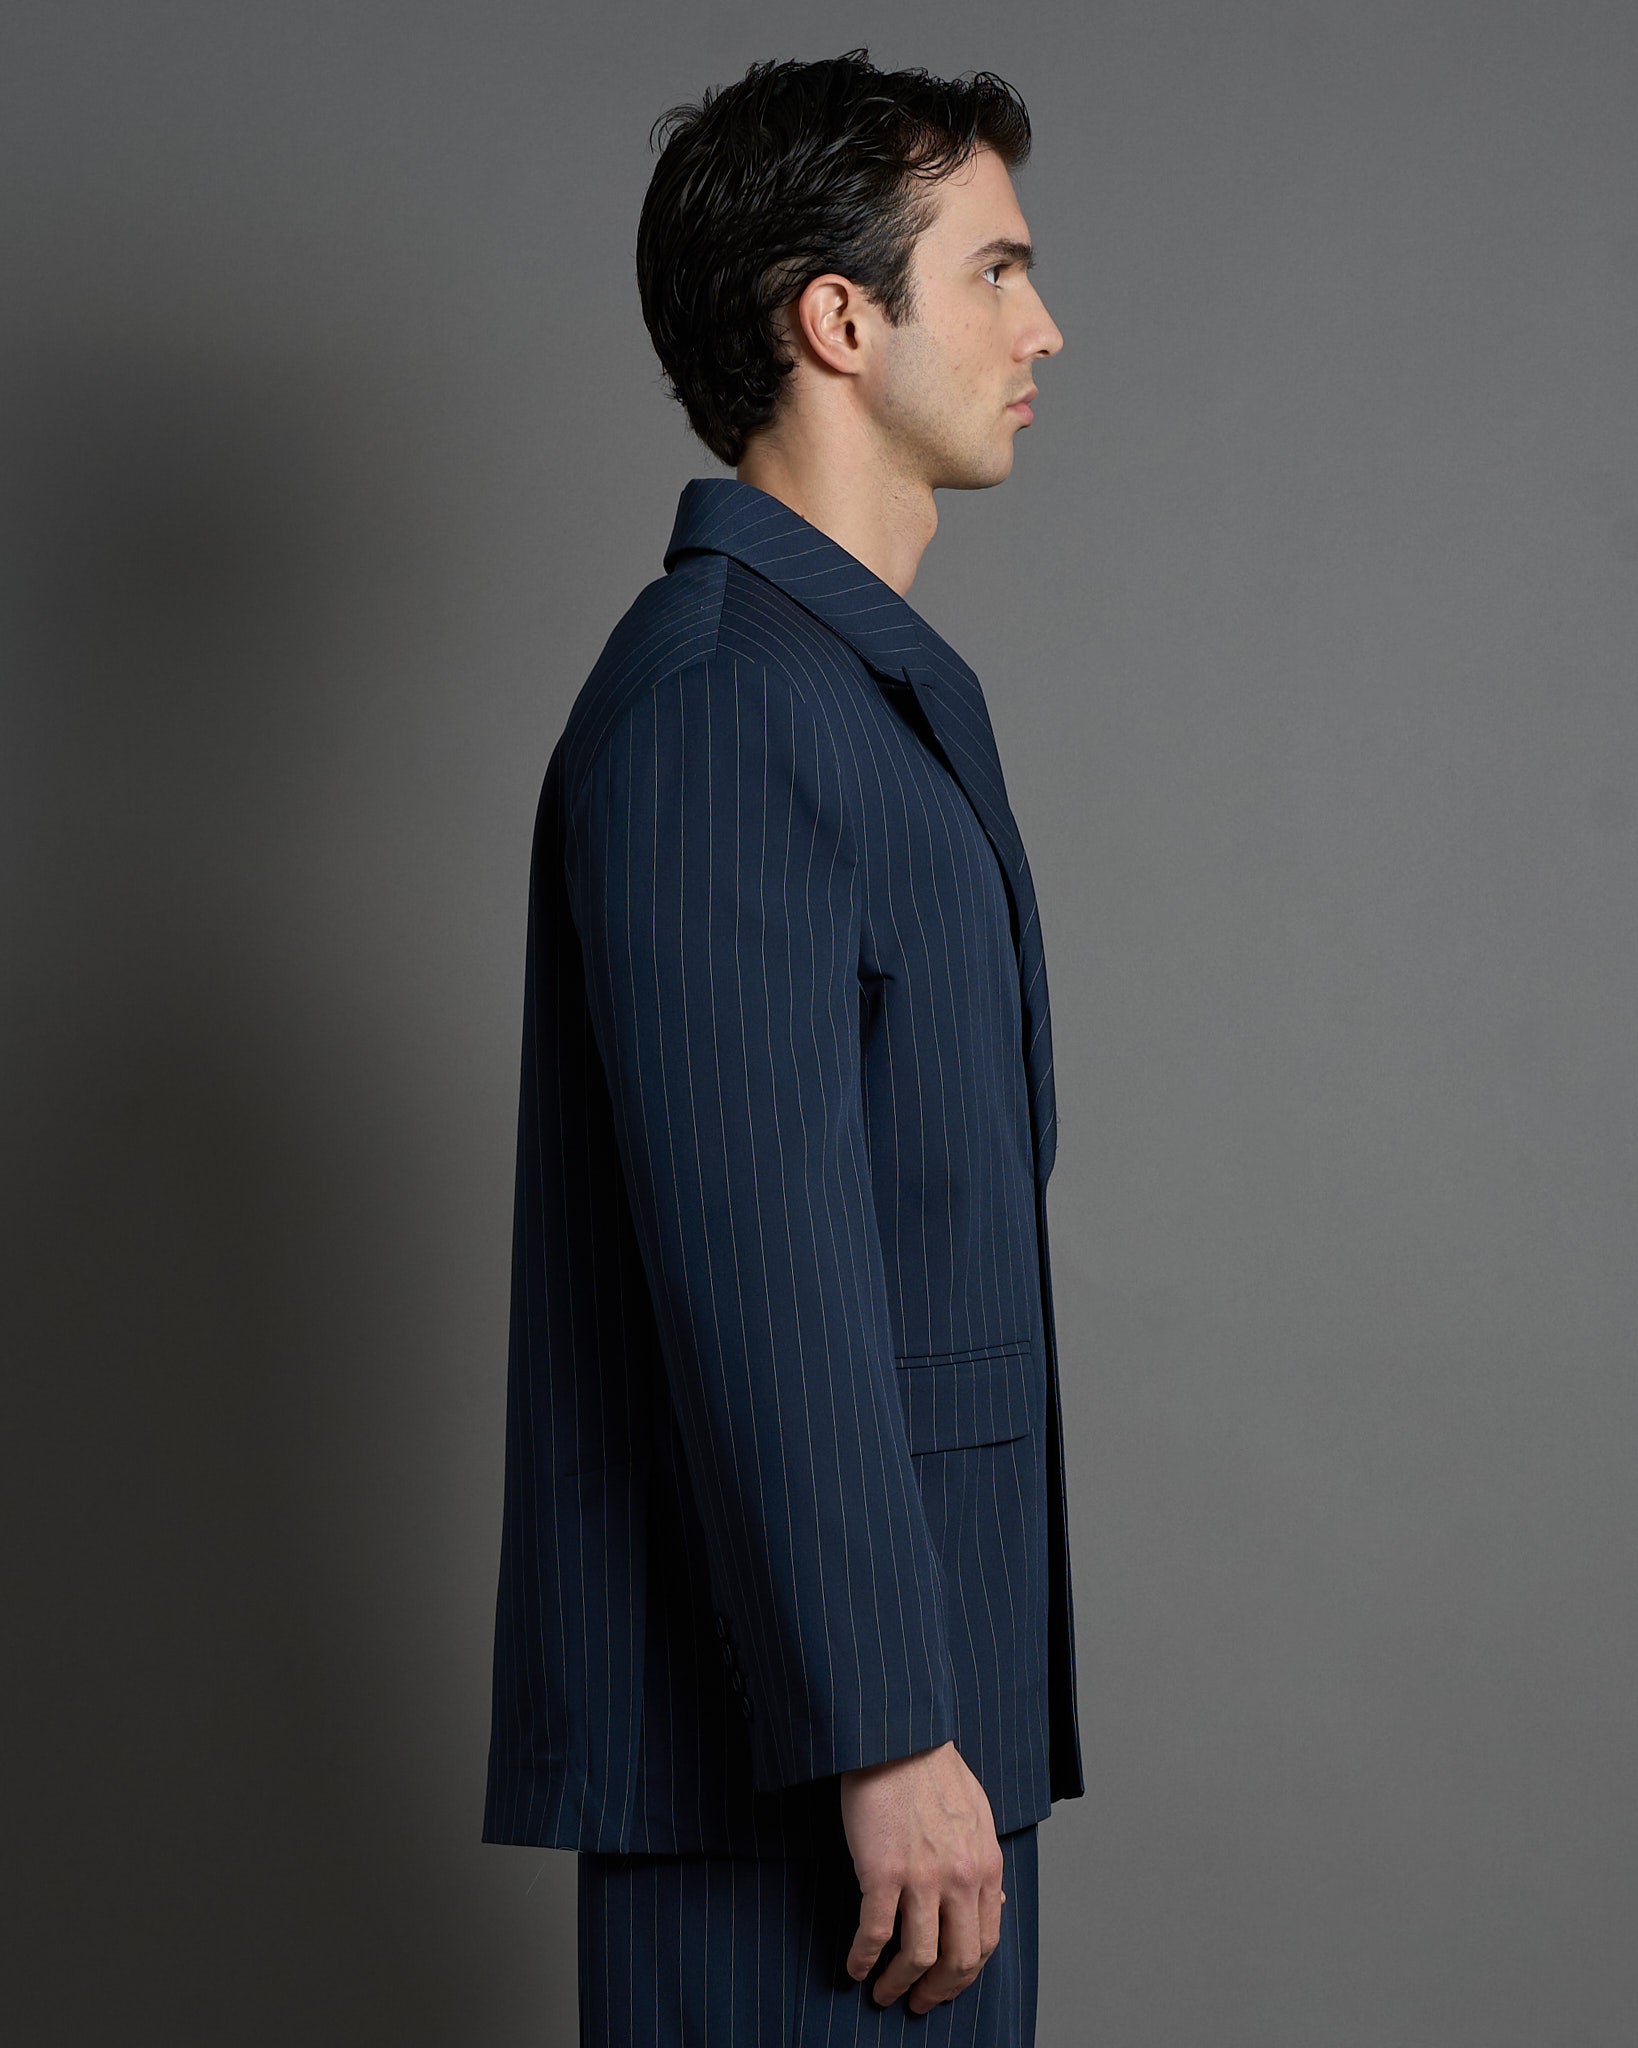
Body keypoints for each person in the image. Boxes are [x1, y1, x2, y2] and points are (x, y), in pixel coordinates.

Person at [481, 47, 1083, 2044]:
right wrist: (884, 1727)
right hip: (808, 1763)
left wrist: (927, 1722)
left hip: (910, 1733)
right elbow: (764, 1271)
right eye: (993, 271)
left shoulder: (853, 691)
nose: (1043, 328)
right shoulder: (725, 704)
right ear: (838, 319)